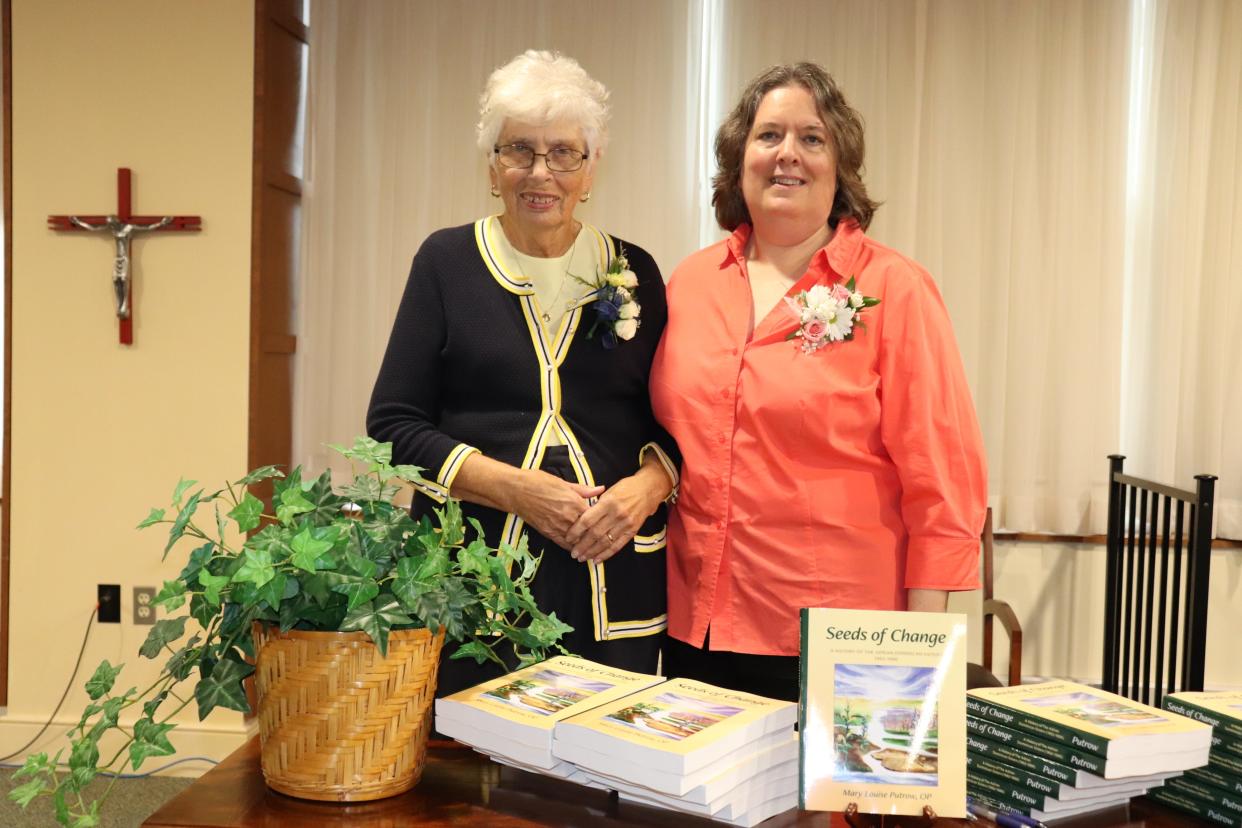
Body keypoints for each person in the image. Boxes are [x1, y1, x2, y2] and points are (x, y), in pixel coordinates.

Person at [649, 63, 987, 702]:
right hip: (696, 631)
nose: (787, 155)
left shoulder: (895, 290)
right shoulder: (689, 283)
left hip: (845, 641)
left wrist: (919, 669)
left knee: (826, 809)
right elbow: (658, 439)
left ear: (840, 167)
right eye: (768, 135)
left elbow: (941, 486)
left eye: (812, 138)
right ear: (738, 158)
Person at [368, 51, 677, 696]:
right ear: (492, 165)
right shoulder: (447, 262)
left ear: (591, 169)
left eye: (564, 152)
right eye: (519, 150)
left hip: (611, 580)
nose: (542, 172)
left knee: (605, 780)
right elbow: (393, 427)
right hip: (476, 585)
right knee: (471, 782)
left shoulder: (636, 269)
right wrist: (515, 490)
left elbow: (679, 424)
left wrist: (645, 489)